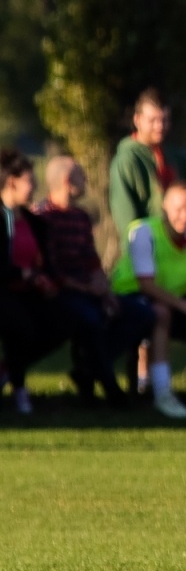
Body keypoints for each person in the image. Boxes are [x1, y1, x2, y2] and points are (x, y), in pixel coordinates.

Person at [34, 155, 149, 406]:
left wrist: (105, 292)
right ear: (67, 181)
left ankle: (88, 369)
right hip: (60, 292)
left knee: (140, 314)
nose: (86, 180)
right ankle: (110, 387)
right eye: (81, 176)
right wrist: (89, 289)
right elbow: (50, 270)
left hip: (86, 289)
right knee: (90, 318)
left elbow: (91, 259)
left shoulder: (80, 217)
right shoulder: (43, 219)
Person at [109, 183, 186, 419]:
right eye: (178, 209)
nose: (184, 216)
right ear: (165, 208)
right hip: (131, 297)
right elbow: (147, 285)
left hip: (175, 301)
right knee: (161, 314)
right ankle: (162, 392)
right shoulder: (144, 232)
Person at [0, 149, 67, 414]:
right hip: (3, 291)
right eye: (30, 180)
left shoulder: (33, 221)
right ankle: (19, 389)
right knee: (21, 326)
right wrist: (23, 274)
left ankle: (7, 371)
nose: (36, 185)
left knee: (62, 321)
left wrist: (48, 280)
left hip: (29, 293)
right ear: (12, 182)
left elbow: (44, 261)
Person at [110, 89, 186, 239]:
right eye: (152, 120)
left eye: (164, 120)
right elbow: (126, 217)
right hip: (147, 248)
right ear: (137, 120)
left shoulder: (175, 157)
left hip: (179, 250)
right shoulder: (126, 161)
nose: (159, 126)